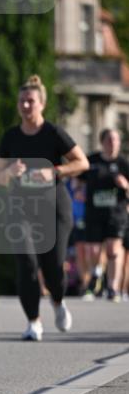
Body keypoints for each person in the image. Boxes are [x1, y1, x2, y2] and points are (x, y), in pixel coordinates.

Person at [0, 75, 89, 341]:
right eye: (22, 101)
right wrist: (10, 171)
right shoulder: (11, 137)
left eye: (31, 101)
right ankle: (33, 321)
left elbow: (82, 163)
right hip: (21, 207)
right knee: (26, 262)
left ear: (42, 104)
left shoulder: (54, 133)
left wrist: (55, 170)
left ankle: (58, 302)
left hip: (54, 207)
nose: (26, 105)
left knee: (53, 266)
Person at [81, 128, 129, 302]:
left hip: (116, 213)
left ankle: (113, 287)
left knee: (113, 251)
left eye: (116, 140)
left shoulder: (124, 164)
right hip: (94, 212)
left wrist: (125, 185)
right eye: (109, 139)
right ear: (102, 142)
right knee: (93, 250)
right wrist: (78, 189)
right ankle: (97, 275)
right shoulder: (92, 161)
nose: (113, 143)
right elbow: (77, 178)